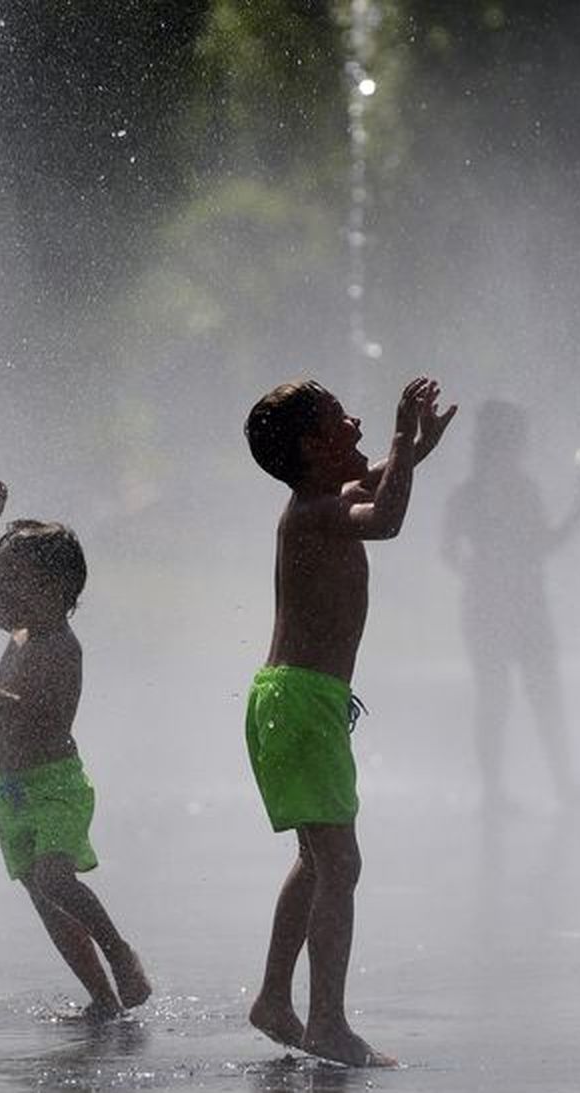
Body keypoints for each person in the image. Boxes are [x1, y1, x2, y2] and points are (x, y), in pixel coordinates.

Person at [241, 377, 456, 1067]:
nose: (357, 422)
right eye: (341, 420)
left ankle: (276, 998)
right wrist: (401, 439)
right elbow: (386, 518)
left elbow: (377, 485)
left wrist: (412, 454)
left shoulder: (320, 498)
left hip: (300, 699)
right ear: (311, 446)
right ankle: (326, 1022)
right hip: (300, 699)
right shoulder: (315, 510)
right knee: (341, 861)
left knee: (317, 860)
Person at [0, 481, 151, 1019]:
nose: (3, 589)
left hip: (55, 786)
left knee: (55, 879)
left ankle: (121, 955)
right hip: (10, 790)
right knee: (45, 900)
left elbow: (37, 713)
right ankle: (102, 998)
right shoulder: (20, 628)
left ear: (56, 587)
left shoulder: (60, 646)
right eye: (4, 577)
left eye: (15, 580)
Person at [440, 400, 580, 813]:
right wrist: (489, 576)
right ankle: (527, 787)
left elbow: (451, 552)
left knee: (519, 696)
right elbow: (541, 546)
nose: (522, 445)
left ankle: (533, 786)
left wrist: (479, 575)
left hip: (506, 606)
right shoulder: (493, 493)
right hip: (508, 606)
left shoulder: (482, 493)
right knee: (511, 698)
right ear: (507, 441)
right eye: (517, 436)